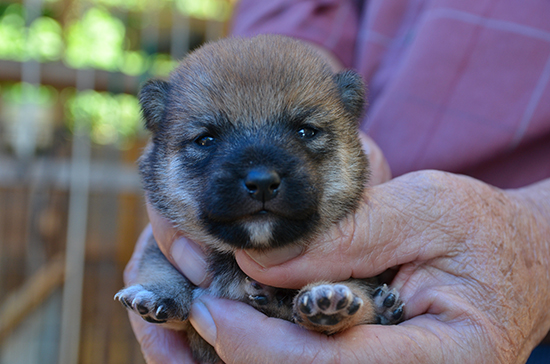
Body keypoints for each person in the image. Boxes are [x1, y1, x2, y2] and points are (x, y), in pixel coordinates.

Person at [123, 1, 550, 363]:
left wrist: (537, 236)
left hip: (483, 294)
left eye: (306, 132)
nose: (261, 175)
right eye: (206, 139)